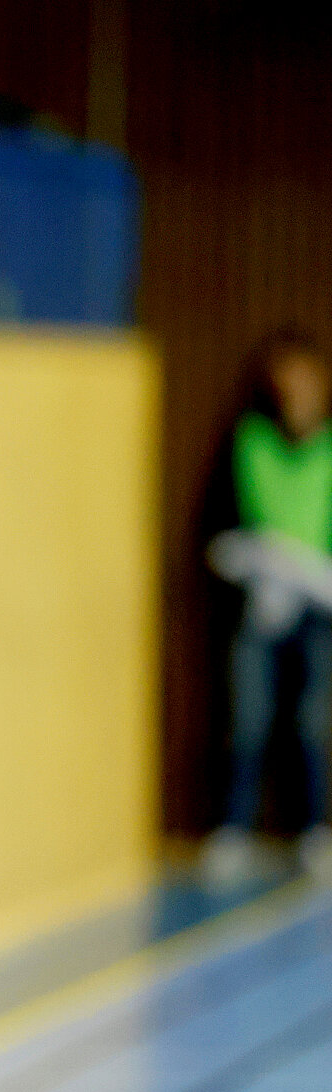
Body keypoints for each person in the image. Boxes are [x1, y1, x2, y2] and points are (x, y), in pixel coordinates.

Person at [201, 328, 332, 888]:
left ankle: (315, 832)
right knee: (248, 720)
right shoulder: (249, 440)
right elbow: (220, 527)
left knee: (312, 723)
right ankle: (234, 830)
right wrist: (254, 570)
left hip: (320, 606)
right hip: (260, 603)